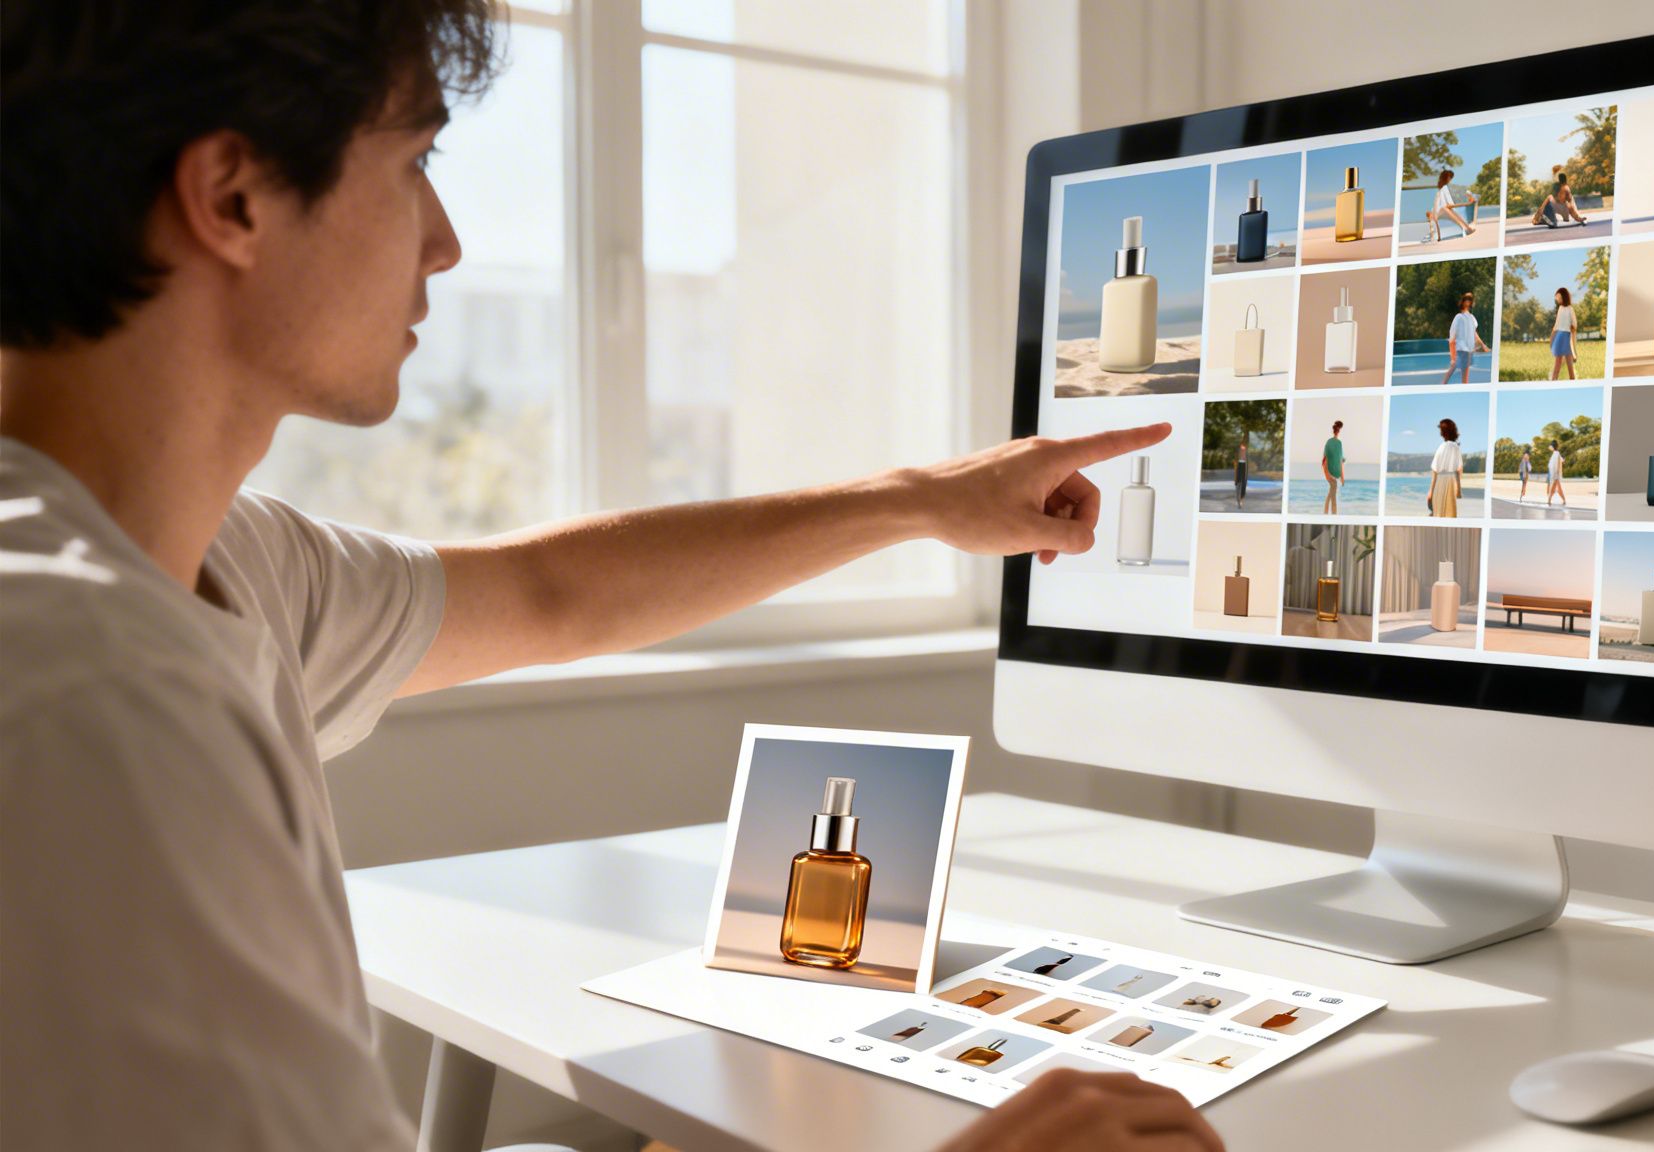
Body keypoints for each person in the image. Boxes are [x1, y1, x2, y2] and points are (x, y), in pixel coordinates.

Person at [0, 5, 1223, 1152]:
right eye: (415, 159)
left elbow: (549, 592)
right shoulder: (96, 703)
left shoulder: (215, 565)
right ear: (232, 196)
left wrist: (915, 503)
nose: (446, 238)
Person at [1439, 292, 1489, 386]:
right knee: (1463, 375)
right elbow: (1452, 338)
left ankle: (1443, 384)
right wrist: (1452, 356)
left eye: (1469, 300)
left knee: (1456, 368)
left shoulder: (1472, 318)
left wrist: (1483, 345)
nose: (1468, 303)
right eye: (1466, 300)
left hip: (1468, 350)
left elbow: (1474, 333)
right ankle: (1451, 386)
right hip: (1463, 349)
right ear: (1462, 302)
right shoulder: (1459, 317)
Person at [1427, 168, 1478, 242]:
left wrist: (1466, 203)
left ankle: (1467, 228)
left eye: (1450, 177)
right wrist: (1466, 203)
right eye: (1449, 177)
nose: (1450, 179)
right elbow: (1448, 205)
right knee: (1446, 208)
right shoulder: (1443, 188)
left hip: (1440, 211)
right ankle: (1465, 228)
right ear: (1446, 178)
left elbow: (1449, 205)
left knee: (1450, 209)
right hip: (1436, 214)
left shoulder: (1443, 188)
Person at [1428, 418, 1463, 518]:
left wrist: (1430, 492)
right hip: (1451, 482)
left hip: (1439, 482)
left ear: (1444, 432)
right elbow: (1459, 470)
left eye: (1441, 430)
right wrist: (1459, 490)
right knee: (1450, 515)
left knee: (1438, 514)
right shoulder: (1456, 447)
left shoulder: (1441, 447)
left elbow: (1435, 472)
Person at [1550, 286, 1578, 380]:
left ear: (1563, 296)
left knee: (1570, 366)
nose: (1557, 300)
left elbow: (1574, 325)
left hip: (1566, 337)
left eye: (1558, 297)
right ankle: (1553, 383)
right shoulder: (1560, 309)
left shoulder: (1570, 309)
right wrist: (1552, 338)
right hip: (1559, 338)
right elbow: (1556, 326)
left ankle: (1573, 383)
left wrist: (1572, 327)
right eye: (1556, 298)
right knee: (1557, 365)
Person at [1322, 419, 1345, 514]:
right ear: (1339, 430)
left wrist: (1326, 474)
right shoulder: (1338, 443)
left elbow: (1325, 460)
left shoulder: (1331, 442)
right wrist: (1342, 477)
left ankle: (1325, 514)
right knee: (1333, 497)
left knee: (1330, 494)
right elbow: (1340, 461)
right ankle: (1334, 517)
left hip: (1330, 473)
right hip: (1332, 474)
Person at [1546, 439, 1568, 507]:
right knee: (1558, 489)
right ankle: (1564, 500)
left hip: (1556, 474)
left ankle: (1549, 500)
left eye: (1550, 446)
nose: (1549, 447)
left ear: (1553, 446)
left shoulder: (1556, 453)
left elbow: (1558, 463)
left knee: (1553, 488)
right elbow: (1561, 460)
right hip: (1554, 474)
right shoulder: (1555, 453)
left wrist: (1557, 474)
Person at [1235, 436, 1250, 509]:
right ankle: (1239, 500)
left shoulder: (1246, 450)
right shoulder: (1239, 450)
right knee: (1238, 483)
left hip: (1244, 466)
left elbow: (1247, 460)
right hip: (1239, 466)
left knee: (1243, 483)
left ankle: (1240, 500)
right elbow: (1236, 459)